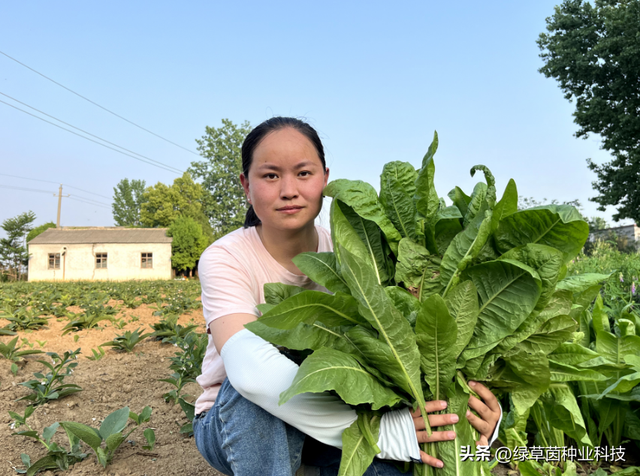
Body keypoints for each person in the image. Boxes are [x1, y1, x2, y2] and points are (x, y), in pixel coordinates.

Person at [193, 117, 502, 476]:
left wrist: (476, 418)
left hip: (335, 424)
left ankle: (307, 466)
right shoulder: (225, 257)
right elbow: (250, 372)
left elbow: (411, 351)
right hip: (235, 423)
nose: (289, 190)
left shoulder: (355, 250)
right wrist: (380, 433)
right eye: (271, 175)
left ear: (325, 178)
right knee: (256, 396)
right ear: (246, 185)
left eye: (304, 173)